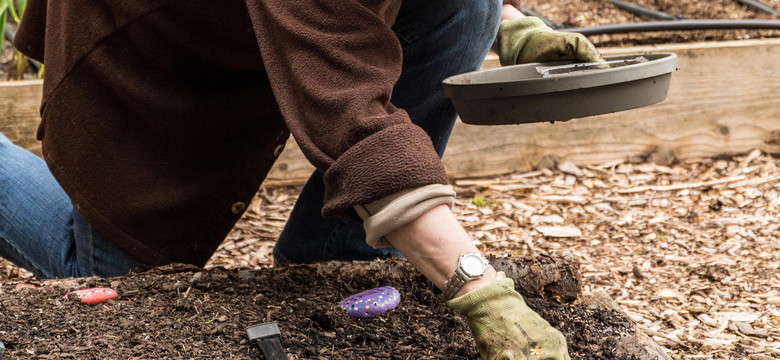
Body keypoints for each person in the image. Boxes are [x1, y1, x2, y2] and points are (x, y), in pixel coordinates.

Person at [1, 1, 602, 358]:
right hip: (152, 33)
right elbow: (352, 113)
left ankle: (330, 260)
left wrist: (510, 19)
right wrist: (481, 290)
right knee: (117, 283)